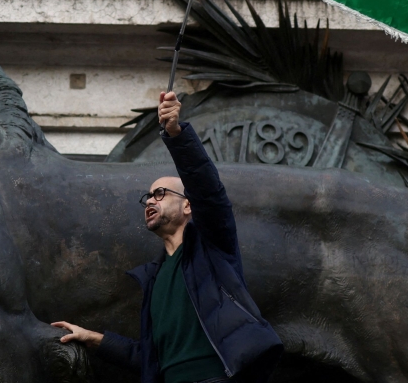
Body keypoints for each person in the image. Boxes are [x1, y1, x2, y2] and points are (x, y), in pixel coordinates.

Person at [52, 91, 282, 383]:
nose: (150, 201)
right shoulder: (155, 278)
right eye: (148, 197)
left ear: (188, 205)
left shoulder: (212, 249)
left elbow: (209, 192)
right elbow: (148, 358)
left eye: (160, 194)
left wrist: (176, 134)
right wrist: (93, 338)